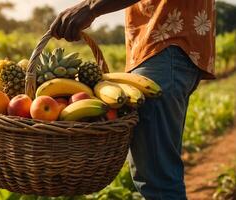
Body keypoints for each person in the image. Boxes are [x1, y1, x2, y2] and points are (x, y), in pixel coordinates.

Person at [49, 0, 216, 199]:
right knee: (160, 172)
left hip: (164, 45)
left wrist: (90, 7)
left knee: (158, 183)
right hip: (172, 48)